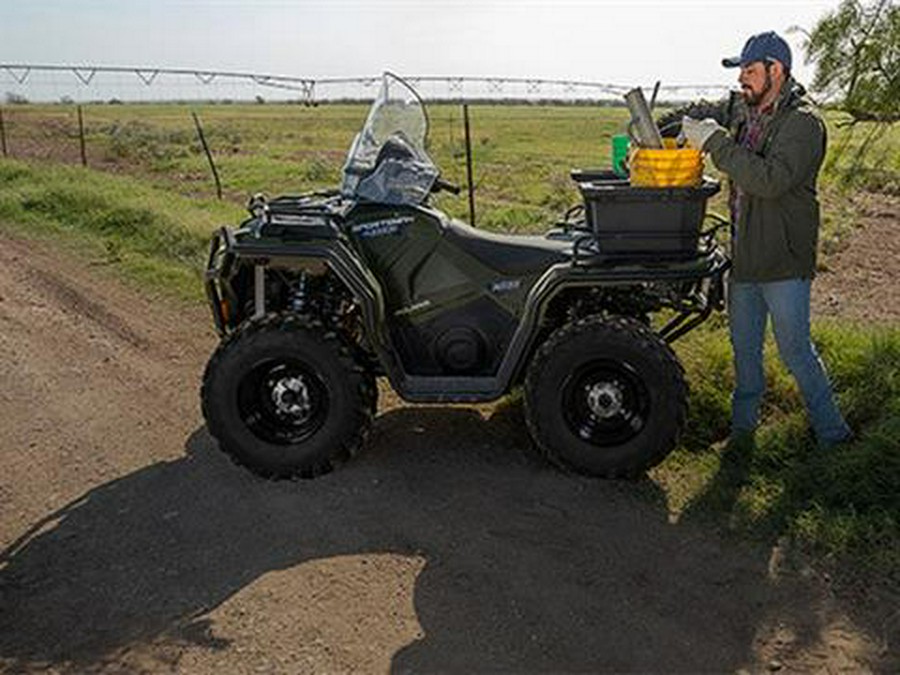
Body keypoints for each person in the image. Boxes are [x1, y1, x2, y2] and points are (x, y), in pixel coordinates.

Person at [675, 31, 853, 449]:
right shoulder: (747, 107)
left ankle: (833, 434)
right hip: (746, 255)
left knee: (795, 352)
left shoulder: (804, 124)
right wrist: (674, 122)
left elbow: (769, 181)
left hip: (784, 260)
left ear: (777, 70)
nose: (743, 80)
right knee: (745, 351)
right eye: (741, 73)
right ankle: (742, 435)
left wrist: (715, 142)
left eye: (750, 71)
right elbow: (713, 108)